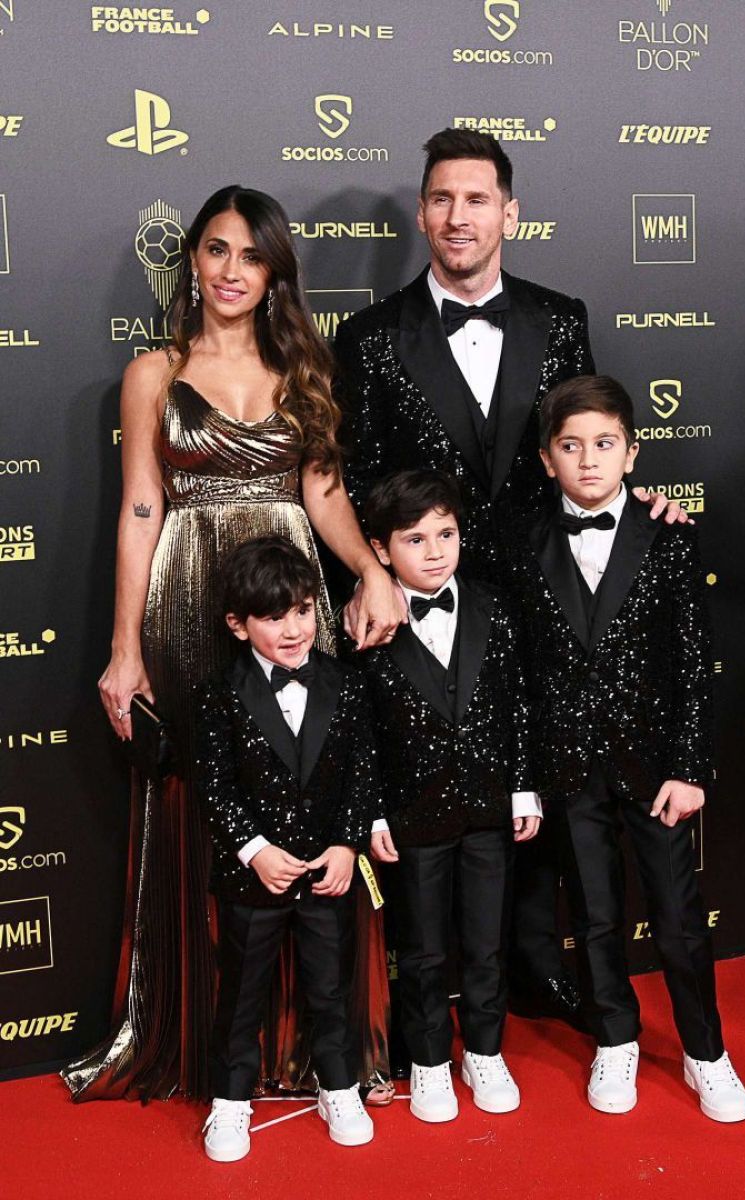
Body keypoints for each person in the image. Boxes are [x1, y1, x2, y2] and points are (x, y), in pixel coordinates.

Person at [336, 127, 687, 1026]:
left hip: (544, 597)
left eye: (479, 198)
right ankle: (435, 988)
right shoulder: (371, 338)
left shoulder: (559, 316)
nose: (460, 217)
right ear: (421, 213)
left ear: (510, 212)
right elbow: (359, 472)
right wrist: (375, 573)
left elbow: (583, 441)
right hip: (423, 596)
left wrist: (646, 510)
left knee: (541, 782)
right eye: (443, 199)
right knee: (433, 782)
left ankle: (536, 968)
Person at [62, 185, 402, 1103]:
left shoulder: (306, 368)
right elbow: (141, 507)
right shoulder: (152, 374)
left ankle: (317, 1043)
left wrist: (371, 571)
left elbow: (324, 495)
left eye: (252, 257)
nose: (232, 271)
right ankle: (203, 1035)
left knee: (304, 781)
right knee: (200, 801)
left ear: (275, 273)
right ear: (194, 261)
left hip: (288, 578)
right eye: (217, 251)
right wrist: (124, 645)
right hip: (186, 597)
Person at [519, 374, 745, 1121]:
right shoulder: (521, 539)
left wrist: (689, 767)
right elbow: (516, 667)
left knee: (680, 919)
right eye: (571, 446)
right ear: (549, 457)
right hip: (569, 765)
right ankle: (615, 1040)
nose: (589, 461)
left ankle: (705, 1051)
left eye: (605, 444)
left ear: (632, 452)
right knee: (592, 914)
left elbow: (693, 659)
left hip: (656, 767)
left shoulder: (669, 537)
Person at [363, 469, 539, 1123]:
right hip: (414, 815)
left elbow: (518, 703)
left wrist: (523, 786)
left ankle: (485, 1052)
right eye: (415, 539)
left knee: (487, 941)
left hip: (491, 809)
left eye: (446, 534)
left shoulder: (495, 604)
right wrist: (373, 809)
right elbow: (359, 732)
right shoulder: (368, 623)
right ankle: (432, 1061)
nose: (435, 551)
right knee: (423, 947)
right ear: (382, 550)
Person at [197, 536, 377, 1160]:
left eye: (303, 610)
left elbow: (363, 775)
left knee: (331, 988)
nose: (294, 628)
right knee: (242, 993)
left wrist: (348, 846)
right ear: (238, 625)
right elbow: (213, 786)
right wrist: (254, 849)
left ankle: (340, 1085)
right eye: (274, 618)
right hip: (255, 879)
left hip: (328, 873)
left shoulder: (345, 684)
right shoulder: (220, 693)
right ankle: (230, 1102)